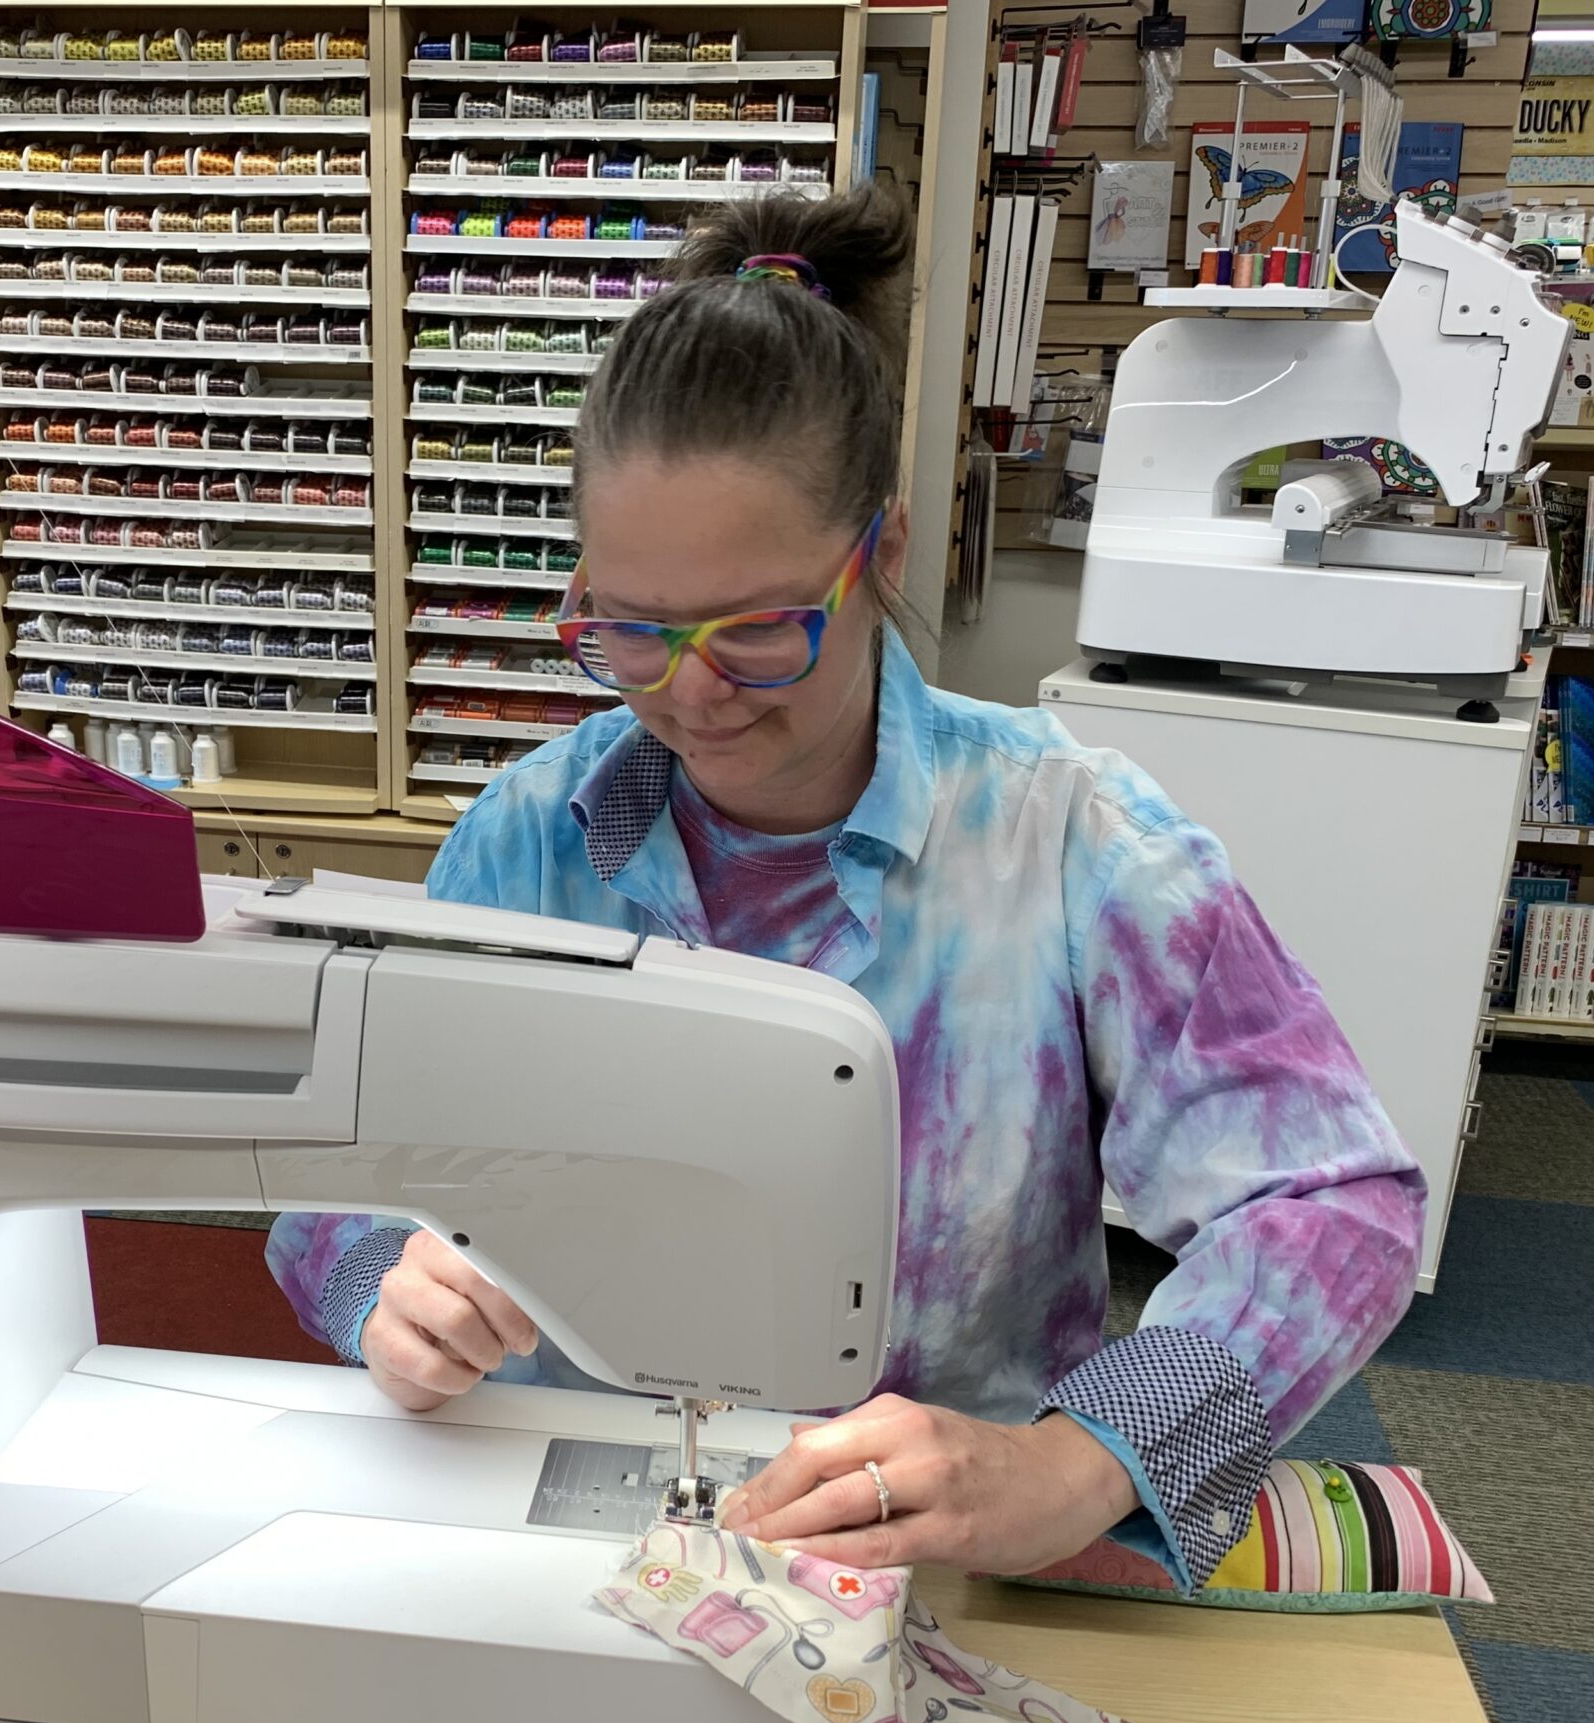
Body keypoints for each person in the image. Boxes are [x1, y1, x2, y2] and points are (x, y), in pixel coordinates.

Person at [267, 188, 1425, 1591]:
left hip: (934, 1571)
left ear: (875, 555)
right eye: (630, 632)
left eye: (757, 632)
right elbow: (338, 1171)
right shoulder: (530, 839)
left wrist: (1080, 1460)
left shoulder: (1069, 844)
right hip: (563, 1547)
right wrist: (377, 1276)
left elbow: (1334, 1197)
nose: (689, 695)